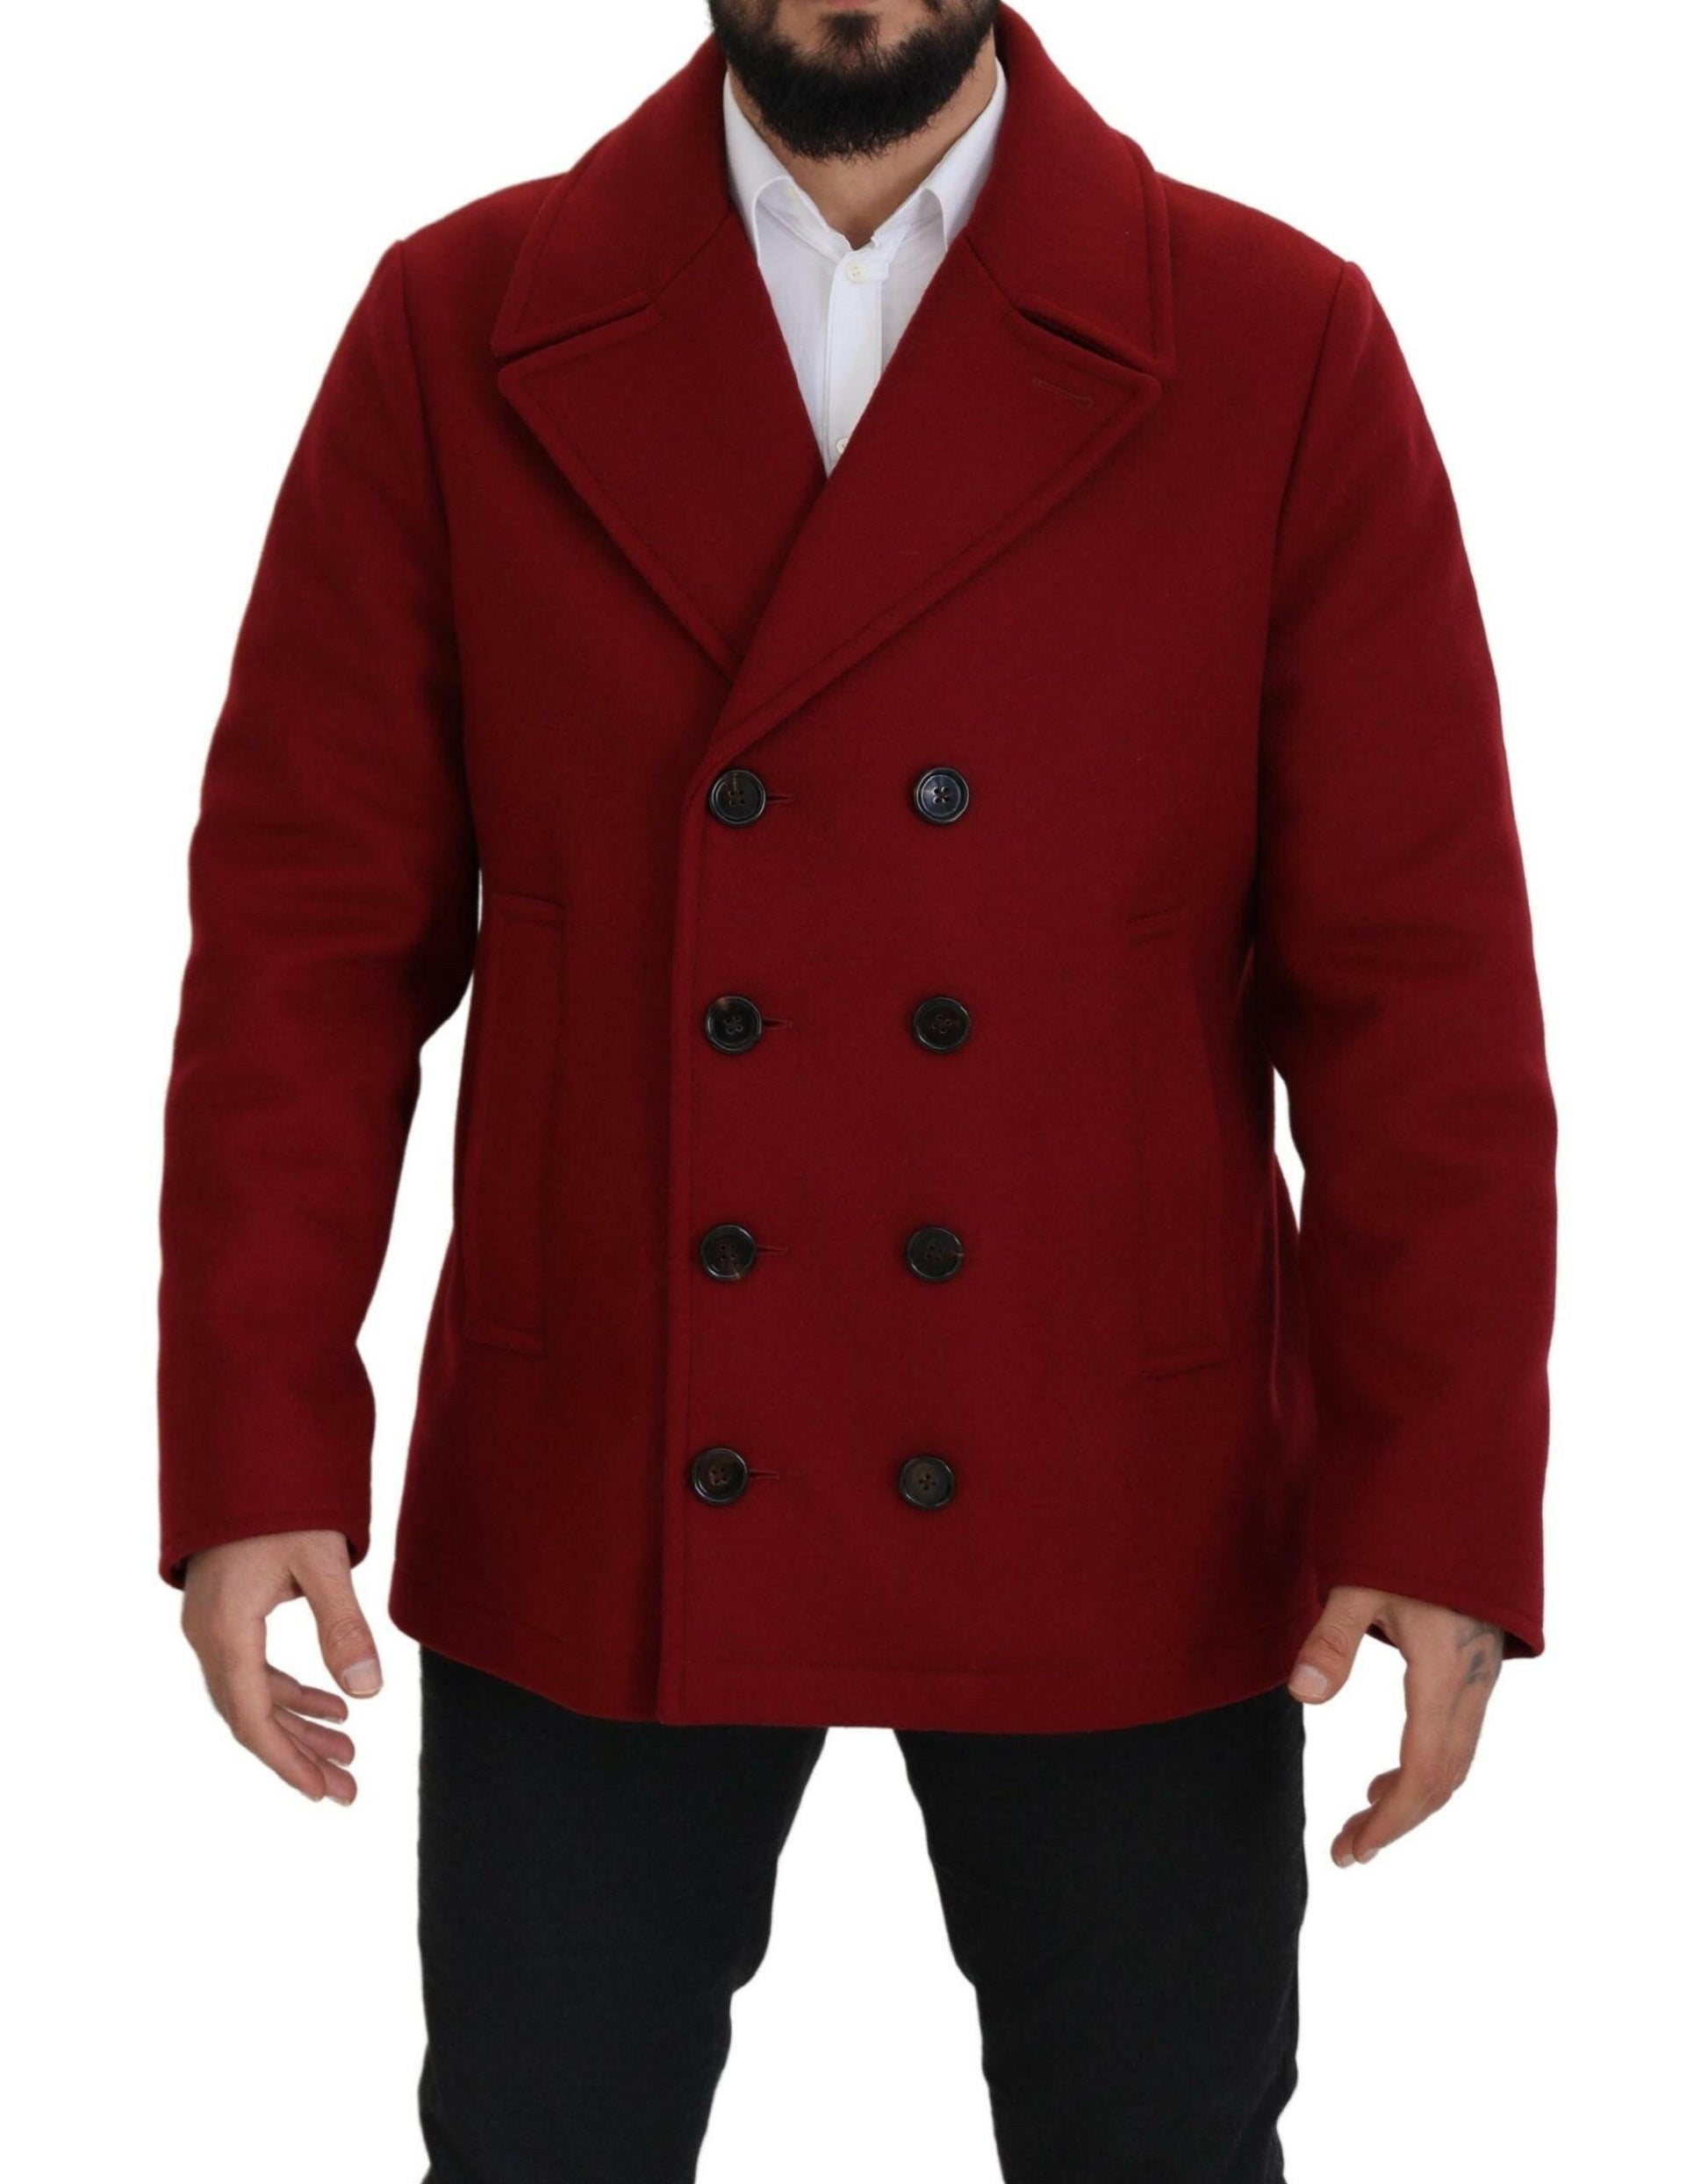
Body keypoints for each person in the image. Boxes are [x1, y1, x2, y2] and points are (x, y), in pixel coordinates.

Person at [159, 5, 1556, 2177]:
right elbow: (303, 952)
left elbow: (1419, 999)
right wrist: (257, 1444)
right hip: (609, 1441)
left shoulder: (1275, 340)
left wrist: (1436, 1500)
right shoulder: (458, 324)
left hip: (1119, 1475)